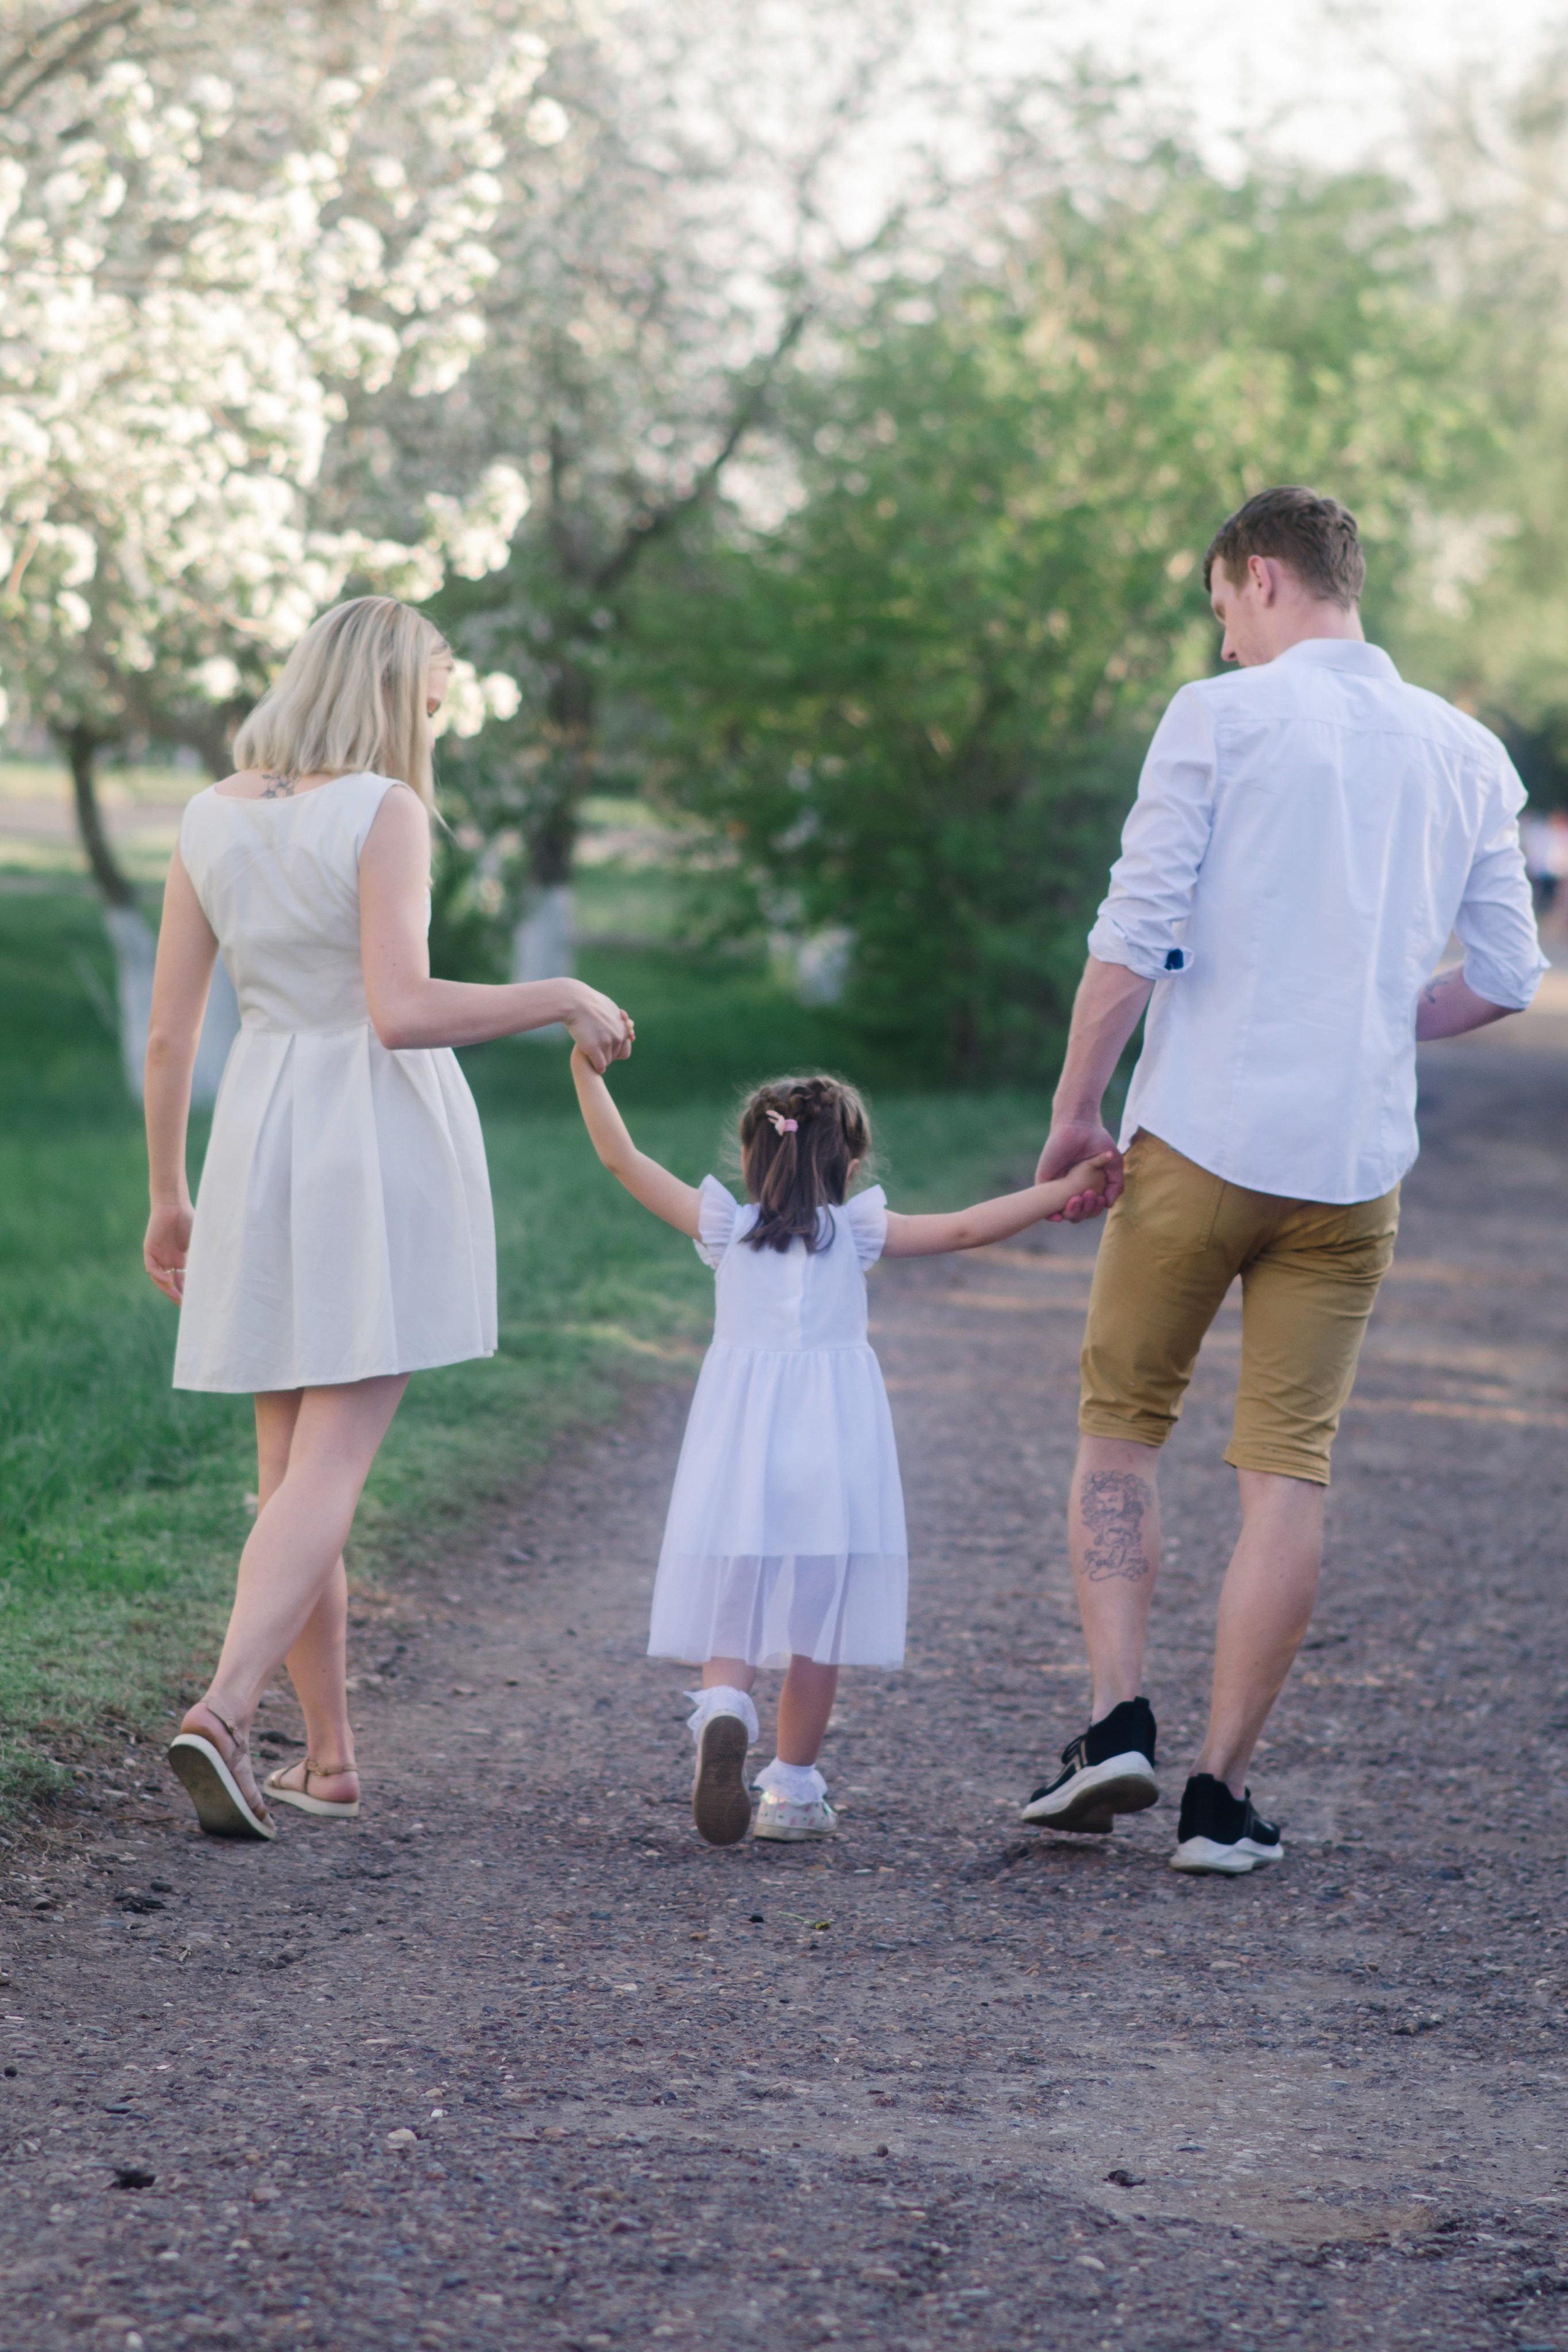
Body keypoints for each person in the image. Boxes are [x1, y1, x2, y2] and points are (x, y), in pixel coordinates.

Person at [1024, 486, 1547, 1875]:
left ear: (1259, 577)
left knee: (1120, 1431)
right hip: (1351, 1174)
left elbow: (1132, 932)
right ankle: (1218, 1799)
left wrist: (1075, 1111)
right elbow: (1506, 976)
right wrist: (1376, 1017)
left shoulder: (1219, 717)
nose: (1223, 639)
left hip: (1197, 1141)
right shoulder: (1468, 752)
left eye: (1220, 609)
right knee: (1286, 1473)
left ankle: (1114, 1723)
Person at [144, 596, 632, 1841]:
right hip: (370, 1132)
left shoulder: (207, 814)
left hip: (259, 1136)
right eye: (432, 697)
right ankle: (225, 1710)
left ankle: (330, 1761)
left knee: (286, 1476)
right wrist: (558, 992)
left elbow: (169, 1036)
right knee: (331, 1466)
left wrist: (168, 1192)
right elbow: (400, 1010)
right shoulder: (385, 808)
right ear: (388, 694)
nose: (437, 720)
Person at [570, 1059, 1111, 1845]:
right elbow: (968, 1226)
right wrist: (1064, 1189)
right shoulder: (856, 1232)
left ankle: (724, 1707)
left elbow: (622, 1158)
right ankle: (791, 1790)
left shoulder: (724, 1227)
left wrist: (586, 1069)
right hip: (832, 1450)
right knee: (815, 1629)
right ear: (851, 1167)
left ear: (750, 1158)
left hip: (741, 1450)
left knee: (736, 1597)